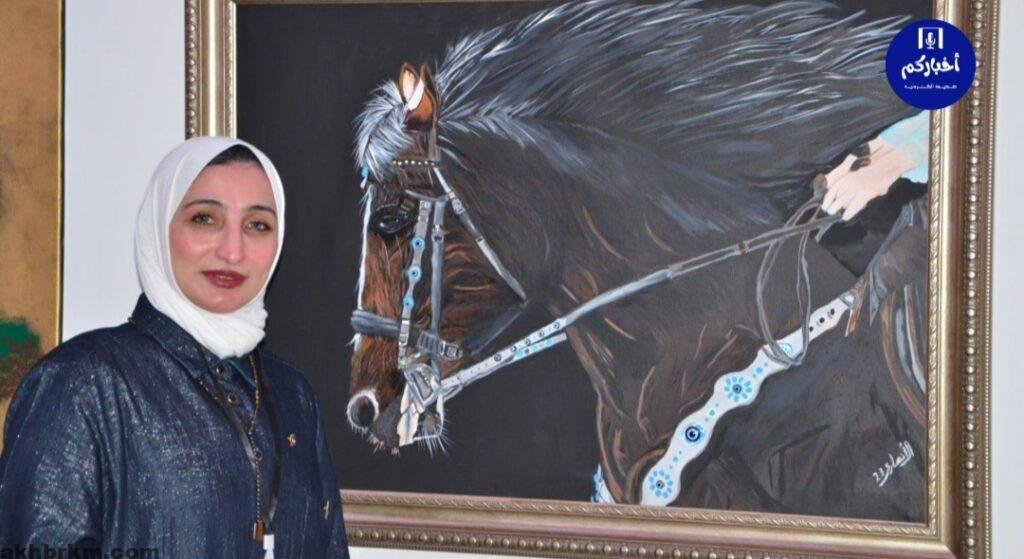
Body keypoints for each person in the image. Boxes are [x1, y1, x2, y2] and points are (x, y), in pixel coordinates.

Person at [0, 138, 349, 558]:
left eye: (257, 225)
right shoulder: (83, 384)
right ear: (159, 226)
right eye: (205, 219)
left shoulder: (292, 394)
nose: (232, 251)